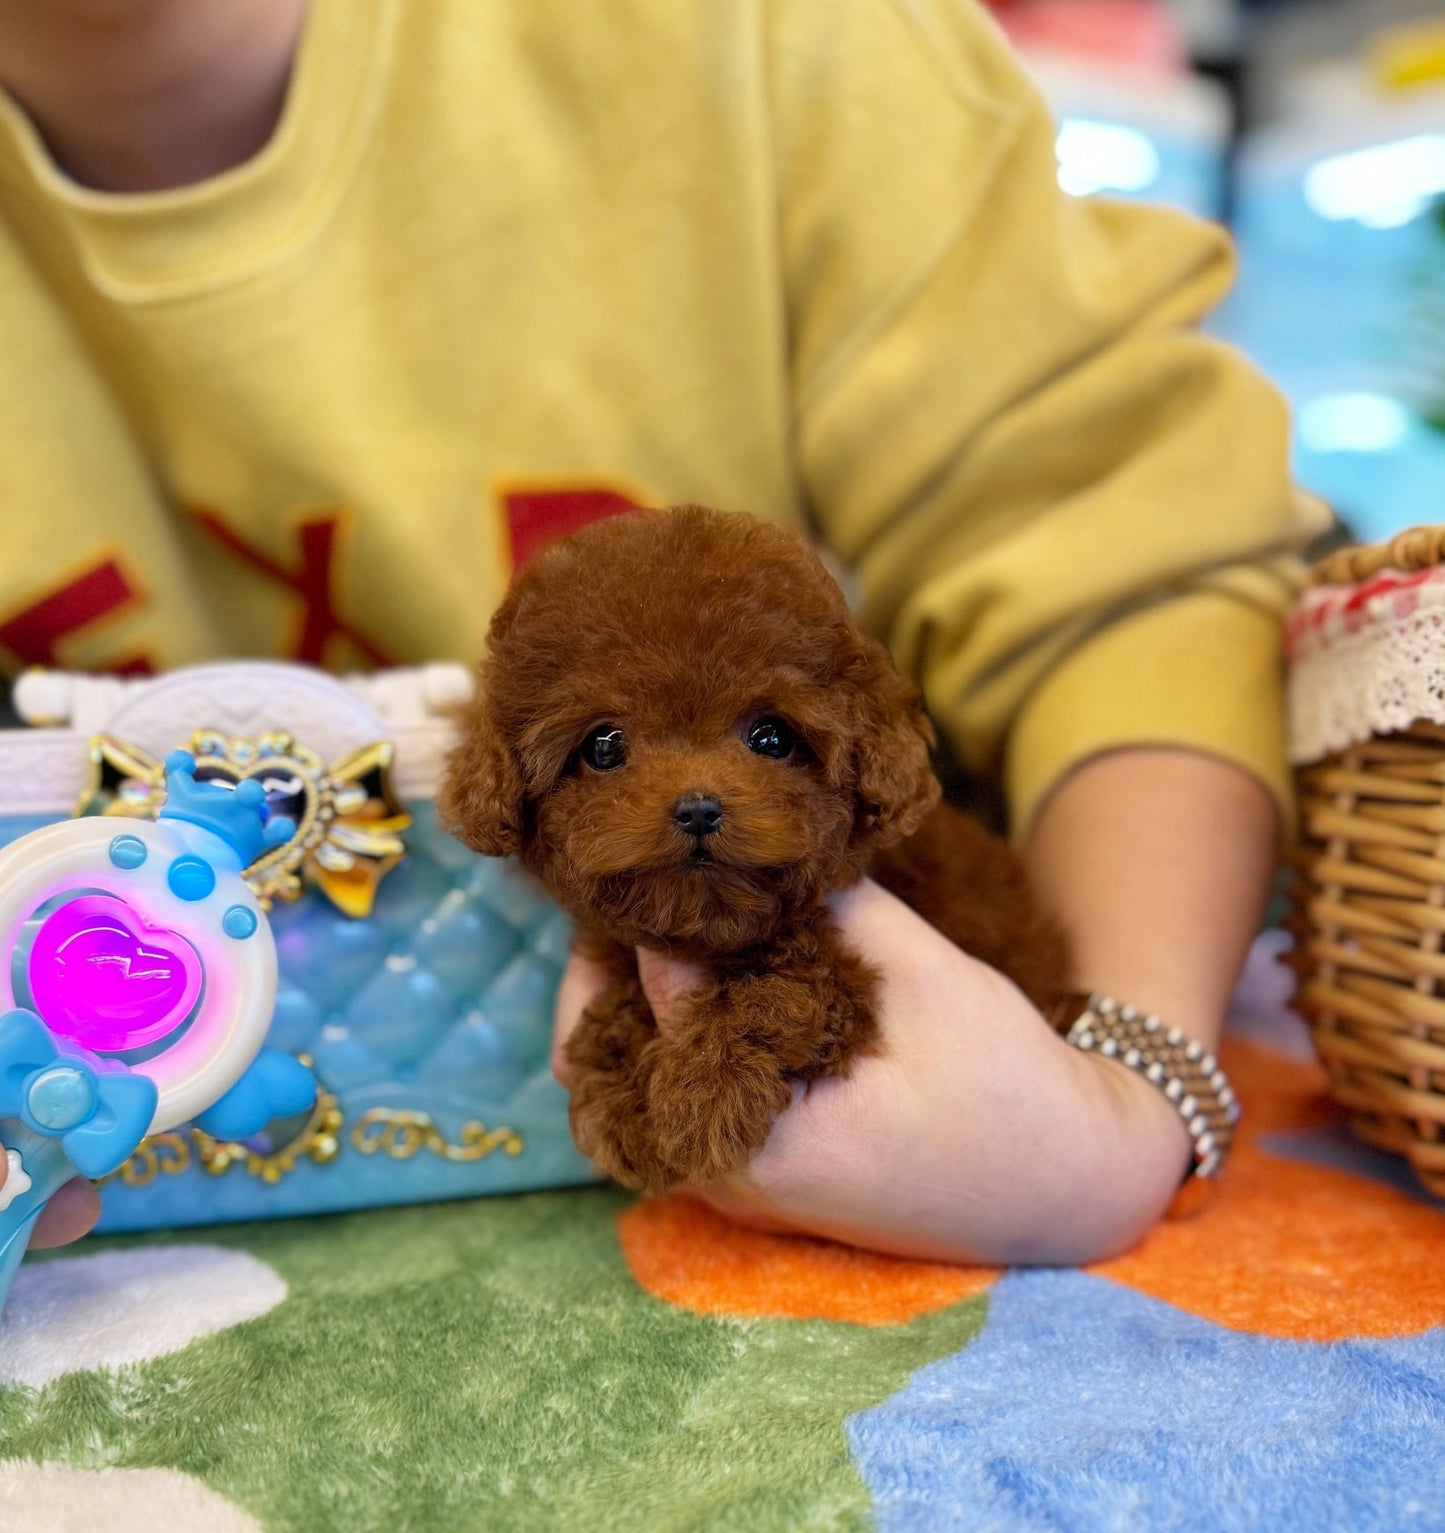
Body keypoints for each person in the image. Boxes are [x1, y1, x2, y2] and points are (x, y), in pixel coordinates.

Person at [0, 0, 1327, 1264]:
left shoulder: (763, 43)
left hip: (940, 1070)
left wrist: (1124, 1096)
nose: (692, 789)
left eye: (766, 737)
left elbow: (1130, 559)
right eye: (604, 750)